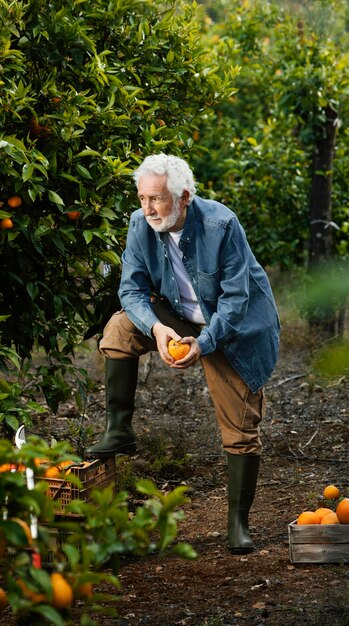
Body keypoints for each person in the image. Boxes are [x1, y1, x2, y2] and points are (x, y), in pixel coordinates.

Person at [86, 153, 280, 554]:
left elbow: (236, 299)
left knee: (240, 429)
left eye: (156, 198)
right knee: (119, 328)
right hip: (176, 316)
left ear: (184, 196)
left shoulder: (220, 224)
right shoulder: (140, 224)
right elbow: (131, 289)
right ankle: (119, 431)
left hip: (232, 329)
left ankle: (237, 523)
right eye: (142, 198)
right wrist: (157, 328)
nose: (147, 208)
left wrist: (204, 344)